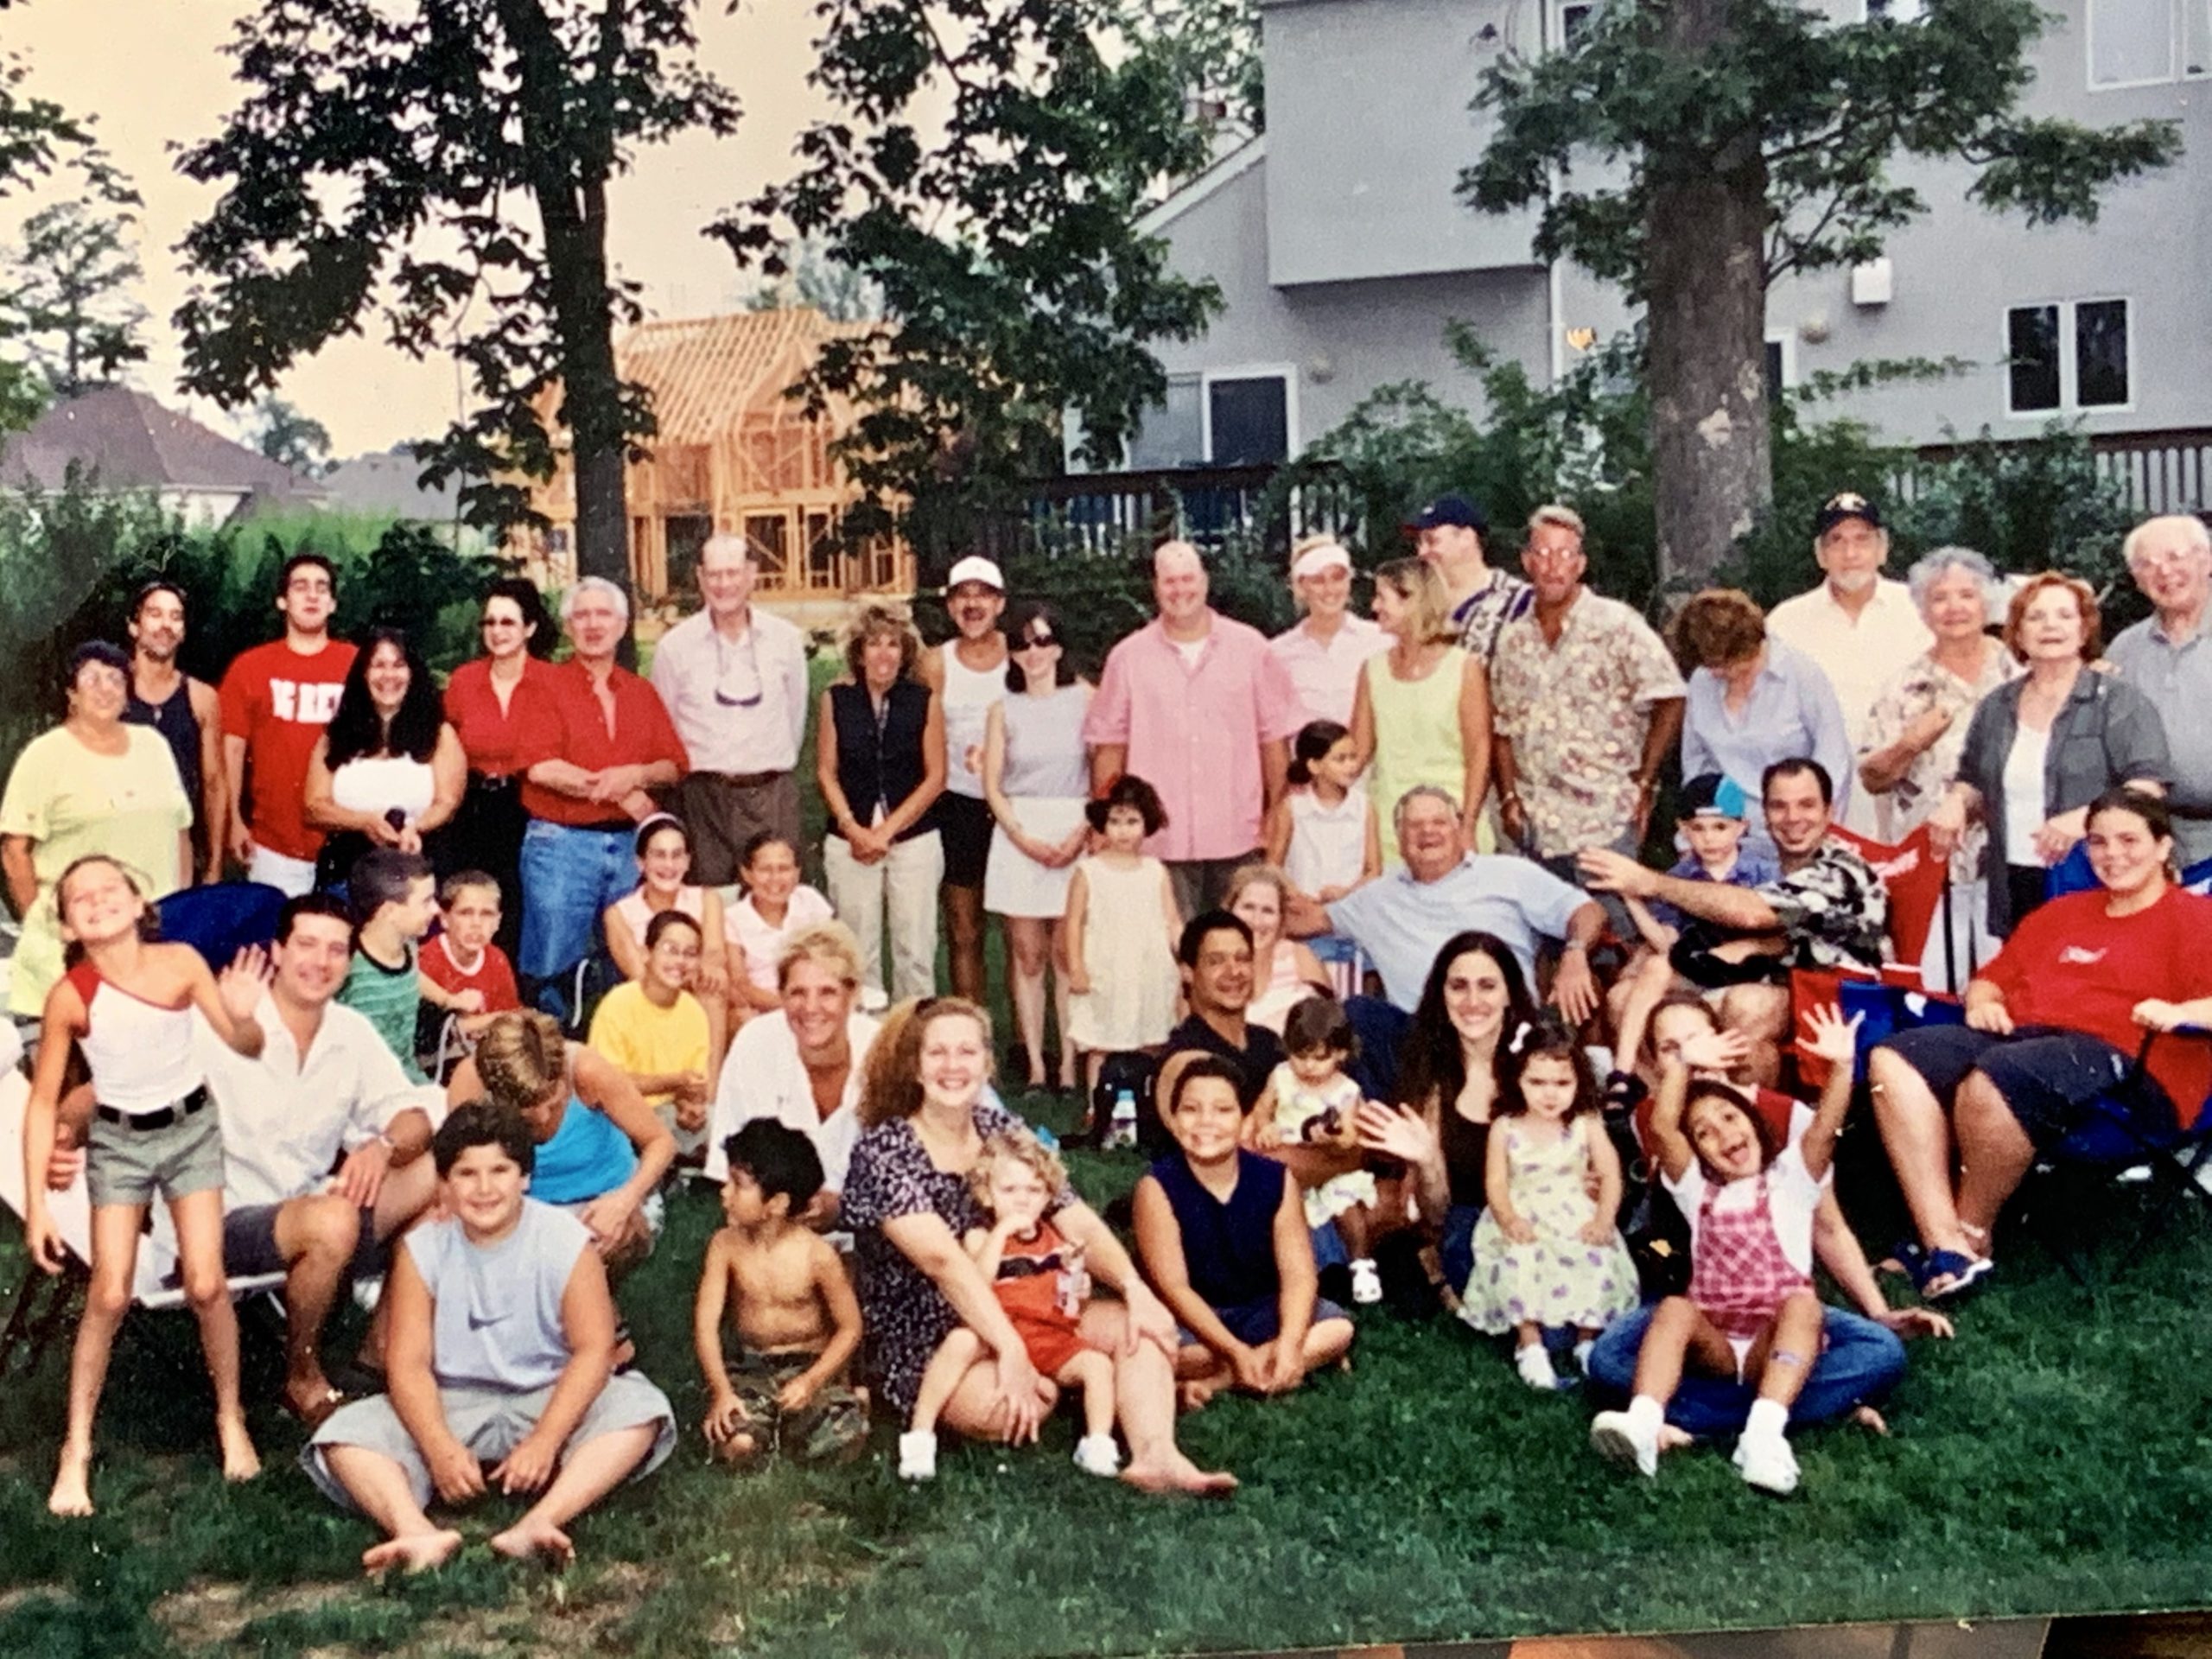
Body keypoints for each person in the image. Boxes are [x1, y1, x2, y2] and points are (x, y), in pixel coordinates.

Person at [842, 997, 1236, 1493]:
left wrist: (1135, 1287)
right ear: (914, 1067)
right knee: (1004, 1408)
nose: (952, 1066)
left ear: (987, 1064)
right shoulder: (884, 1151)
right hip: (934, 1332)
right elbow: (945, 1265)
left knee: (1144, 1329)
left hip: (1030, 1307)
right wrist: (1009, 1348)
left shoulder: (1002, 1132)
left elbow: (1075, 1219)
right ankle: (1098, 1387)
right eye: (937, 1053)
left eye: (967, 1052)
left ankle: (1157, 1457)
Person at [302, 1101, 677, 1574]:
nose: (484, 1189)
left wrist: (545, 1440)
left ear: (524, 1178)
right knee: (344, 1436)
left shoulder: (564, 1241)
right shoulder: (423, 1249)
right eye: (466, 1174)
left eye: (500, 1171)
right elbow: (408, 1363)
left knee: (640, 1411)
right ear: (446, 1183)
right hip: (453, 1400)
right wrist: (438, 1447)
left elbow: (592, 1351)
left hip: (545, 1395)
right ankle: (414, 1531)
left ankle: (541, 1521)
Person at [1867, 789, 2212, 1299]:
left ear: (2163, 848)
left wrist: (2181, 1012)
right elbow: (1992, 978)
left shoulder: (2192, 920)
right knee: (1892, 1059)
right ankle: (1942, 1239)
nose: (2112, 854)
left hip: (2131, 1063)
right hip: (2023, 1039)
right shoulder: (2062, 913)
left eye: (2129, 840)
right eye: (2098, 842)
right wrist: (1984, 1000)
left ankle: (1970, 1235)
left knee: (1996, 1077)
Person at [1585, 993, 1950, 1440]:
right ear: (1655, 1062)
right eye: (1671, 1048)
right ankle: (1801, 1407)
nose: (1693, 1055)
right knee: (1607, 1361)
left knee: (1880, 1351)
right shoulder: (1660, 1125)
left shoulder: (1785, 1125)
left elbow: (1829, 1225)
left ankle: (1701, 1417)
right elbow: (1651, 1210)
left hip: (1783, 1313)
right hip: (1695, 1311)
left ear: (1726, 1039)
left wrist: (1878, 1311)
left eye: (1698, 1040)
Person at [21, 855, 267, 1516]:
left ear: (139, 904)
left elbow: (245, 1044)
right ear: (67, 921)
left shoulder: (182, 961)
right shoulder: (70, 995)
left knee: (207, 1283)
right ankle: (76, 1450)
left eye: (110, 890)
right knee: (107, 1291)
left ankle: (230, 1417)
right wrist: (38, 1207)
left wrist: (243, 1014)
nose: (97, 902)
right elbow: (45, 1101)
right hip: (120, 1143)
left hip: (191, 1131)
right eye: (80, 898)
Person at [1586, 1004, 1862, 1496]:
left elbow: (1825, 1126)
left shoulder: (1793, 1180)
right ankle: (1645, 1423)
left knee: (1804, 1305)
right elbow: (1664, 1128)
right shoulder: (1695, 1189)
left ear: (1754, 1122)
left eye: (1730, 1118)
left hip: (1770, 1345)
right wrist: (1682, 1063)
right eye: (1705, 1134)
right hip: (1714, 1342)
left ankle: (1762, 1434)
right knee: (1673, 1308)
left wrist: (1842, 1067)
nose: (1723, 1135)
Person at [1583, 759, 1886, 1086]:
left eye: (1807, 805)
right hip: (1745, 978)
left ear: (1830, 811)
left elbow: (1753, 913)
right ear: (1765, 816)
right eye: (1779, 806)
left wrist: (1650, 883)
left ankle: (1740, 1115)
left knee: (1746, 1004)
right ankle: (1655, 1114)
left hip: (1830, 1001)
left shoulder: (1842, 870)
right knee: (1621, 998)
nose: (1793, 818)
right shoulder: (1772, 868)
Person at [1927, 570, 2170, 941]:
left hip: (2097, 877)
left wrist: (2085, 820)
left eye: (2064, 616)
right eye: (2036, 617)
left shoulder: (2121, 703)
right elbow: (1973, 779)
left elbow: (2147, 788)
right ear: (2018, 633)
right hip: (2014, 878)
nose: (2050, 626)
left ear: (2084, 629)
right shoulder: (1996, 706)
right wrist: (1957, 802)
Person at [1086, 540, 1306, 918]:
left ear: (1205, 582)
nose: (1180, 590)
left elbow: (1274, 741)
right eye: (1169, 581)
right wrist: (1107, 824)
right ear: (1156, 588)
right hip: (1157, 840)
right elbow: (1110, 749)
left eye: (1188, 578)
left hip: (1238, 834)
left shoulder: (1250, 648)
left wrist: (1276, 814)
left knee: (1238, 951)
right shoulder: (1127, 657)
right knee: (1171, 957)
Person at [1292, 786, 1604, 1042]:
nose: (1428, 831)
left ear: (1458, 829)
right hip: (1421, 1037)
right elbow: (1310, 920)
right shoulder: (1375, 896)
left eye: (1439, 822)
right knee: (1360, 1013)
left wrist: (1575, 954)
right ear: (1399, 839)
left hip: (1503, 1026)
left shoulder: (1509, 873)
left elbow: (1588, 911)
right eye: (1414, 825)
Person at [1133, 1056, 1356, 1408]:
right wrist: (1234, 1350)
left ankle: (1219, 1382)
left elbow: (1299, 1276)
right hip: (1194, 1319)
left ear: (1243, 1119)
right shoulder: (1157, 1187)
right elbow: (1173, 1287)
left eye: (1223, 1110)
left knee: (1338, 1329)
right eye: (1191, 1110)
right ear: (1174, 1121)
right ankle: (1263, 1367)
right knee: (1168, 1349)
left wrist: (1290, 1342)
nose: (1207, 1122)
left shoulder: (1275, 1179)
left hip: (1259, 1309)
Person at [902, 1127, 1121, 1481]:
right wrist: (1002, 1234)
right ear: (987, 1195)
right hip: (997, 1334)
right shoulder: (980, 1236)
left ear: (1049, 1196)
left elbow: (1073, 1301)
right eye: (1010, 1190)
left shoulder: (1057, 1238)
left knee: (1097, 1365)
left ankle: (1097, 1442)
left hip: (1050, 1336)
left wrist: (1079, 1280)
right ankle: (919, 1435)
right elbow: (977, 1283)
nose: (1022, 1200)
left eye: (1034, 1191)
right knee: (960, 1341)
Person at [512, 577, 690, 1012]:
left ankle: (624, 1065)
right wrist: (618, 794)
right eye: (582, 615)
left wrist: (636, 773)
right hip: (561, 846)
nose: (593, 625)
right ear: (569, 627)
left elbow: (673, 765)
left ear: (622, 624)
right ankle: (549, 1065)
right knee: (552, 969)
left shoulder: (641, 692)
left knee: (631, 965)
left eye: (603, 614)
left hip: (630, 849)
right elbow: (540, 766)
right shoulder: (544, 686)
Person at [3, 640, 192, 1029]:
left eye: (114, 679)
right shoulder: (45, 755)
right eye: (91, 678)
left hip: (149, 938)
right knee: (74, 1063)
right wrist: (51, 929)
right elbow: (14, 850)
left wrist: (179, 907)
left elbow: (180, 830)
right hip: (77, 942)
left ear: (127, 694)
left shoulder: (153, 746)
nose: (104, 688)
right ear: (72, 693)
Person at [1490, 505, 1684, 883]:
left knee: (1616, 932)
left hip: (1605, 817)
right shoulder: (1512, 638)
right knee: (1547, 937)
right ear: (1527, 561)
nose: (1552, 565)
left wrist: (1644, 781)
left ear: (1580, 564)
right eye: (1543, 553)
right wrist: (1510, 798)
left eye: (1564, 554)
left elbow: (1671, 696)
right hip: (1536, 824)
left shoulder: (1617, 623)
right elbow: (1503, 727)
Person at [1856, 547, 2020, 981]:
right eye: (1939, 598)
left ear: (1988, 601)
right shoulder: (1904, 687)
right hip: (1930, 873)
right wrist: (1909, 744)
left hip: (2013, 866)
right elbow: (1872, 778)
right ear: (1923, 611)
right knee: (1934, 992)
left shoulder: (2023, 677)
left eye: (1966, 594)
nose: (1954, 608)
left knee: (2006, 989)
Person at [1459, 1014, 1637, 1391]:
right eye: (1536, 1083)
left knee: (1595, 1255)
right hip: (1524, 1210)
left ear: (1579, 1082)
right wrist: (1508, 1218)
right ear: (1516, 1081)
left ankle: (1588, 1341)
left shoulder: (1586, 1124)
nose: (1549, 1093)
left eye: (1562, 1083)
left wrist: (1604, 1218)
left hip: (1574, 1208)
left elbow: (1610, 1173)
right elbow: (1496, 1181)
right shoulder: (1506, 1127)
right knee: (1521, 1257)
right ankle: (1531, 1344)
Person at [1362, 931, 1538, 1300]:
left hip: (1537, 1224)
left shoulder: (1540, 1069)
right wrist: (1427, 1160)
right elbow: (1437, 1215)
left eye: (1487, 986)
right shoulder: (1430, 1078)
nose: (1472, 1001)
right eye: (1459, 986)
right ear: (1442, 995)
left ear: (1509, 993)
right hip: (1466, 1229)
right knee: (1450, 1240)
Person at [693, 1120, 867, 1466]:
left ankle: (842, 1405)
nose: (724, 1192)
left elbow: (850, 1328)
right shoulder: (725, 1246)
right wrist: (722, 1392)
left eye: (737, 1185)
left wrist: (812, 1381)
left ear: (777, 1203)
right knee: (737, 1445)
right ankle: (765, 1429)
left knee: (843, 1438)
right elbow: (706, 1325)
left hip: (810, 1367)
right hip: (753, 1368)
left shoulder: (817, 1255)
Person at [453, 1012, 677, 1274]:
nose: (544, 1117)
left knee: (587, 1258)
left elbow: (661, 1141)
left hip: (604, 1198)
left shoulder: (588, 1070)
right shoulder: (471, 1083)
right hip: (521, 1205)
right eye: (526, 1115)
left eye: (554, 1104)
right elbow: (457, 1166)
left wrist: (624, 1200)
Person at [1765, 493, 1934, 835]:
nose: (1851, 554)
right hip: (1822, 797)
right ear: (1820, 554)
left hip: (1911, 787)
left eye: (1862, 540)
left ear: (1882, 548)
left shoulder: (1922, 609)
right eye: (1837, 541)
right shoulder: (1786, 622)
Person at [649, 533, 810, 887]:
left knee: (775, 899)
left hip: (771, 795)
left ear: (752, 574)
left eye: (733, 573)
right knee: (709, 906)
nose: (724, 585)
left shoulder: (785, 641)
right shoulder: (675, 647)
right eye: (715, 574)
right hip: (703, 798)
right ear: (700, 577)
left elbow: (794, 718)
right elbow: (665, 728)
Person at [981, 599, 1092, 1091]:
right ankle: (1036, 1063)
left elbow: (1103, 774)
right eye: (1024, 644)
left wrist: (1080, 834)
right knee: (1027, 955)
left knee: (1067, 954)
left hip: (1075, 824)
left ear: (1060, 646)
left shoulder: (1088, 698)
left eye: (1043, 641)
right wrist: (1020, 835)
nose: (1034, 653)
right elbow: (992, 784)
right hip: (1018, 831)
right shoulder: (1002, 709)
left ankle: (1069, 1064)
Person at [1606, 773, 1779, 1090]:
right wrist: (1631, 898)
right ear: (1683, 830)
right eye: (1698, 829)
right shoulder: (1679, 876)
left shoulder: (1764, 872)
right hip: (1698, 971)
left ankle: (1723, 1088)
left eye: (1720, 827)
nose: (1709, 839)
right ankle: (1627, 1073)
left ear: (1742, 827)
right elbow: (1665, 944)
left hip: (1747, 969)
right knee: (1655, 967)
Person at [702, 923, 881, 1222]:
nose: (811, 1008)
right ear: (781, 995)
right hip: (776, 1223)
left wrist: (839, 1208)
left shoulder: (883, 1049)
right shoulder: (755, 1043)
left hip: (874, 1220)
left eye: (827, 992)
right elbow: (732, 1167)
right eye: (797, 992)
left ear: (852, 995)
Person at [817, 597, 947, 1003]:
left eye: (893, 643)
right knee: (858, 950)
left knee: (916, 951)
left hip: (914, 839)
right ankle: (866, 1042)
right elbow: (825, 770)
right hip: (850, 840)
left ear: (905, 651)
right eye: (874, 643)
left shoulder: (922, 700)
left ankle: (912, 1037)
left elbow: (936, 776)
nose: (883, 653)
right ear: (859, 650)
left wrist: (887, 831)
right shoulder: (836, 699)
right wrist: (853, 828)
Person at [219, 553, 360, 893]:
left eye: (321, 588)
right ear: (282, 601)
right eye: (301, 587)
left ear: (333, 603)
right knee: (281, 941)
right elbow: (231, 750)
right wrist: (233, 821)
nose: (312, 595)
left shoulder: (358, 664)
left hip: (350, 840)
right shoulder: (250, 667)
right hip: (274, 842)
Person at [1675, 588, 1853, 855]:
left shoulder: (1802, 674)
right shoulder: (1702, 680)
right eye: (1712, 666)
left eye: (1728, 665)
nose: (1718, 673)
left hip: (1793, 834)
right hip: (1725, 840)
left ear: (1752, 645)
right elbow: (1697, 766)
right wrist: (1694, 833)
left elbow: (1834, 761)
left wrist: (1815, 838)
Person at [442, 577, 555, 960]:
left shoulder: (552, 682)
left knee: (520, 904)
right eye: (490, 622)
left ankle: (516, 993)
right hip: (474, 806)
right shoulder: (464, 681)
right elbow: (448, 748)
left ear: (530, 628)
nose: (497, 631)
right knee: (474, 902)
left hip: (530, 805)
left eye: (508, 622)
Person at [304, 627, 466, 889]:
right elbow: (313, 806)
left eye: (399, 665)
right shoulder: (335, 735)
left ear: (413, 673)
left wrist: (416, 827)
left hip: (417, 870)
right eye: (378, 665)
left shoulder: (439, 734)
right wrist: (364, 822)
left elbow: (447, 802)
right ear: (363, 674)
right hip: (346, 871)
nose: (389, 675)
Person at [1351, 557, 1490, 861]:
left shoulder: (1464, 667)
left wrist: (1467, 826)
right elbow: (1356, 754)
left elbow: (1479, 754)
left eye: (1382, 597)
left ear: (1413, 600)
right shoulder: (1371, 670)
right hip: (1390, 829)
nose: (1374, 607)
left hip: (1450, 826)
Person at [1250, 996, 1381, 1304]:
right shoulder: (1282, 1076)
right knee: (1291, 1218)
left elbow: (1351, 1136)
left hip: (1331, 1162)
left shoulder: (1346, 1091)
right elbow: (1261, 1109)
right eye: (1300, 1055)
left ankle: (1361, 1263)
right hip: (1291, 1158)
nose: (1307, 1066)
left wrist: (1335, 1139)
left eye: (1319, 1058)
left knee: (1347, 1208)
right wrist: (1265, 1126)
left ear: (1340, 1053)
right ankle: (1305, 1273)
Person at [922, 554, 1011, 1005]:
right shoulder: (936, 663)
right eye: (962, 595)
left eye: (982, 595)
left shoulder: (1023, 655)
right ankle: (969, 1024)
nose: (972, 605)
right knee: (964, 929)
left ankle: (1024, 1042)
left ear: (999, 603)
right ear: (950, 606)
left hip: (1016, 806)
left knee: (1021, 930)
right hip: (958, 804)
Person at [1065, 776, 1182, 1095]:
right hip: (1107, 968)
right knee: (1102, 1039)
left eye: (1132, 821)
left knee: (1151, 1037)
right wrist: (1076, 967)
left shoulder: (1155, 870)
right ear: (1103, 823)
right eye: (1115, 821)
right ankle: (1096, 1101)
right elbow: (1073, 922)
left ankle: (1150, 1100)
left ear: (1147, 824)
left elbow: (1171, 919)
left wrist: (1185, 956)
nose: (1123, 830)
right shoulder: (1089, 871)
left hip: (1149, 968)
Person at [2110, 515, 2212, 869]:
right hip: (2158, 843)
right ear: (2136, 580)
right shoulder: (2124, 649)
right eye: (2147, 565)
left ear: (2207, 560)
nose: (2164, 572)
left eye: (2175, 557)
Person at [601, 813, 731, 1071]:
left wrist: (696, 968)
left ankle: (708, 1095)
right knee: (705, 988)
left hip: (697, 992)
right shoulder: (619, 913)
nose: (669, 865)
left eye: (677, 855)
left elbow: (714, 953)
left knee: (713, 989)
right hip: (649, 1000)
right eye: (659, 855)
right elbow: (639, 974)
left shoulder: (706, 899)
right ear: (640, 862)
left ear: (687, 861)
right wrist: (691, 970)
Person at [124, 579, 226, 884]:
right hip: (116, 848)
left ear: (183, 631)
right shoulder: (109, 692)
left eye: (175, 616)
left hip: (178, 854)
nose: (165, 624)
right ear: (134, 625)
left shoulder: (201, 698)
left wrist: (214, 864)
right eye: (155, 614)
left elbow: (214, 784)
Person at [588, 909, 714, 1156]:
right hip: (621, 1115)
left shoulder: (694, 1011)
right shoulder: (619, 1003)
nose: (680, 962)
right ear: (647, 953)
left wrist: (691, 1106)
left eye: (690, 954)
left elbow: (694, 1081)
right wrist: (674, 1082)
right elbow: (607, 1085)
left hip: (670, 1111)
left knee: (722, 1122)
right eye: (671, 950)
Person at [337, 849, 441, 1084]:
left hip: (407, 1076)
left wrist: (448, 999)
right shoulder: (348, 966)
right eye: (426, 901)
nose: (436, 909)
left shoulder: (409, 947)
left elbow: (414, 977)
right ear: (389, 911)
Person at [1267, 535, 1389, 726]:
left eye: (1338, 578)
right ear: (1300, 587)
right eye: (1318, 580)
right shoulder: (1278, 654)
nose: (1329, 589)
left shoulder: (1382, 641)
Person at [1263, 719, 1378, 917]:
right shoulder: (1293, 807)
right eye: (1340, 759)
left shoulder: (1364, 806)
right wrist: (1297, 896)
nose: (1351, 765)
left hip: (1349, 911)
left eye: (1353, 757)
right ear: (1314, 766)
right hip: (1300, 912)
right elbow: (1273, 866)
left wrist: (1347, 894)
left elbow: (1373, 870)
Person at [1406, 493, 1531, 663]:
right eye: (1419, 543)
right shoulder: (1413, 604)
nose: (1422, 552)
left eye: (1431, 540)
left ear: (1466, 538)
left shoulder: (1521, 602)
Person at [722, 831, 834, 1022]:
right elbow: (741, 984)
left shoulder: (810, 901)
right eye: (765, 870)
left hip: (815, 1003)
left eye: (784, 869)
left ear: (797, 873)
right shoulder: (733, 918)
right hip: (763, 1010)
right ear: (747, 874)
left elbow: (835, 957)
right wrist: (790, 1007)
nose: (775, 878)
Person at [416, 870, 521, 1059]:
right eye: (465, 913)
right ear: (444, 918)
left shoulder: (497, 959)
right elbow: (433, 1034)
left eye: (487, 914)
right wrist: (493, 1021)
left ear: (498, 922)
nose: (476, 923)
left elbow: (511, 1015)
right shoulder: (426, 960)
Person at [1224, 862, 1329, 1034]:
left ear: (1282, 920)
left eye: (1268, 911)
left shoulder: (1300, 957)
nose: (1256, 920)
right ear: (1230, 911)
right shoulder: (1207, 966)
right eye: (1248, 907)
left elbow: (1329, 1026)